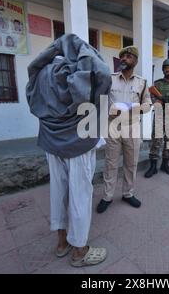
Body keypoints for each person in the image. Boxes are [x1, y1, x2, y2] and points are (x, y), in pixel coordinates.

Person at [26, 34, 111, 267]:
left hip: (51, 140)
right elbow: (103, 74)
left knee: (58, 192)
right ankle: (79, 251)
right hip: (78, 140)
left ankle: (62, 243)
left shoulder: (41, 72)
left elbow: (33, 102)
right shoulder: (78, 69)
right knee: (80, 195)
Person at [96, 46, 152, 214]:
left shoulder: (141, 82)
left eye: (128, 56)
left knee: (131, 163)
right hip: (113, 125)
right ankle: (107, 196)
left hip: (132, 126)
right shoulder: (110, 79)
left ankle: (128, 193)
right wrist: (111, 109)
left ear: (135, 60)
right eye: (122, 56)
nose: (124, 59)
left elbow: (148, 104)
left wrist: (135, 109)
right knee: (110, 163)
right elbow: (101, 101)